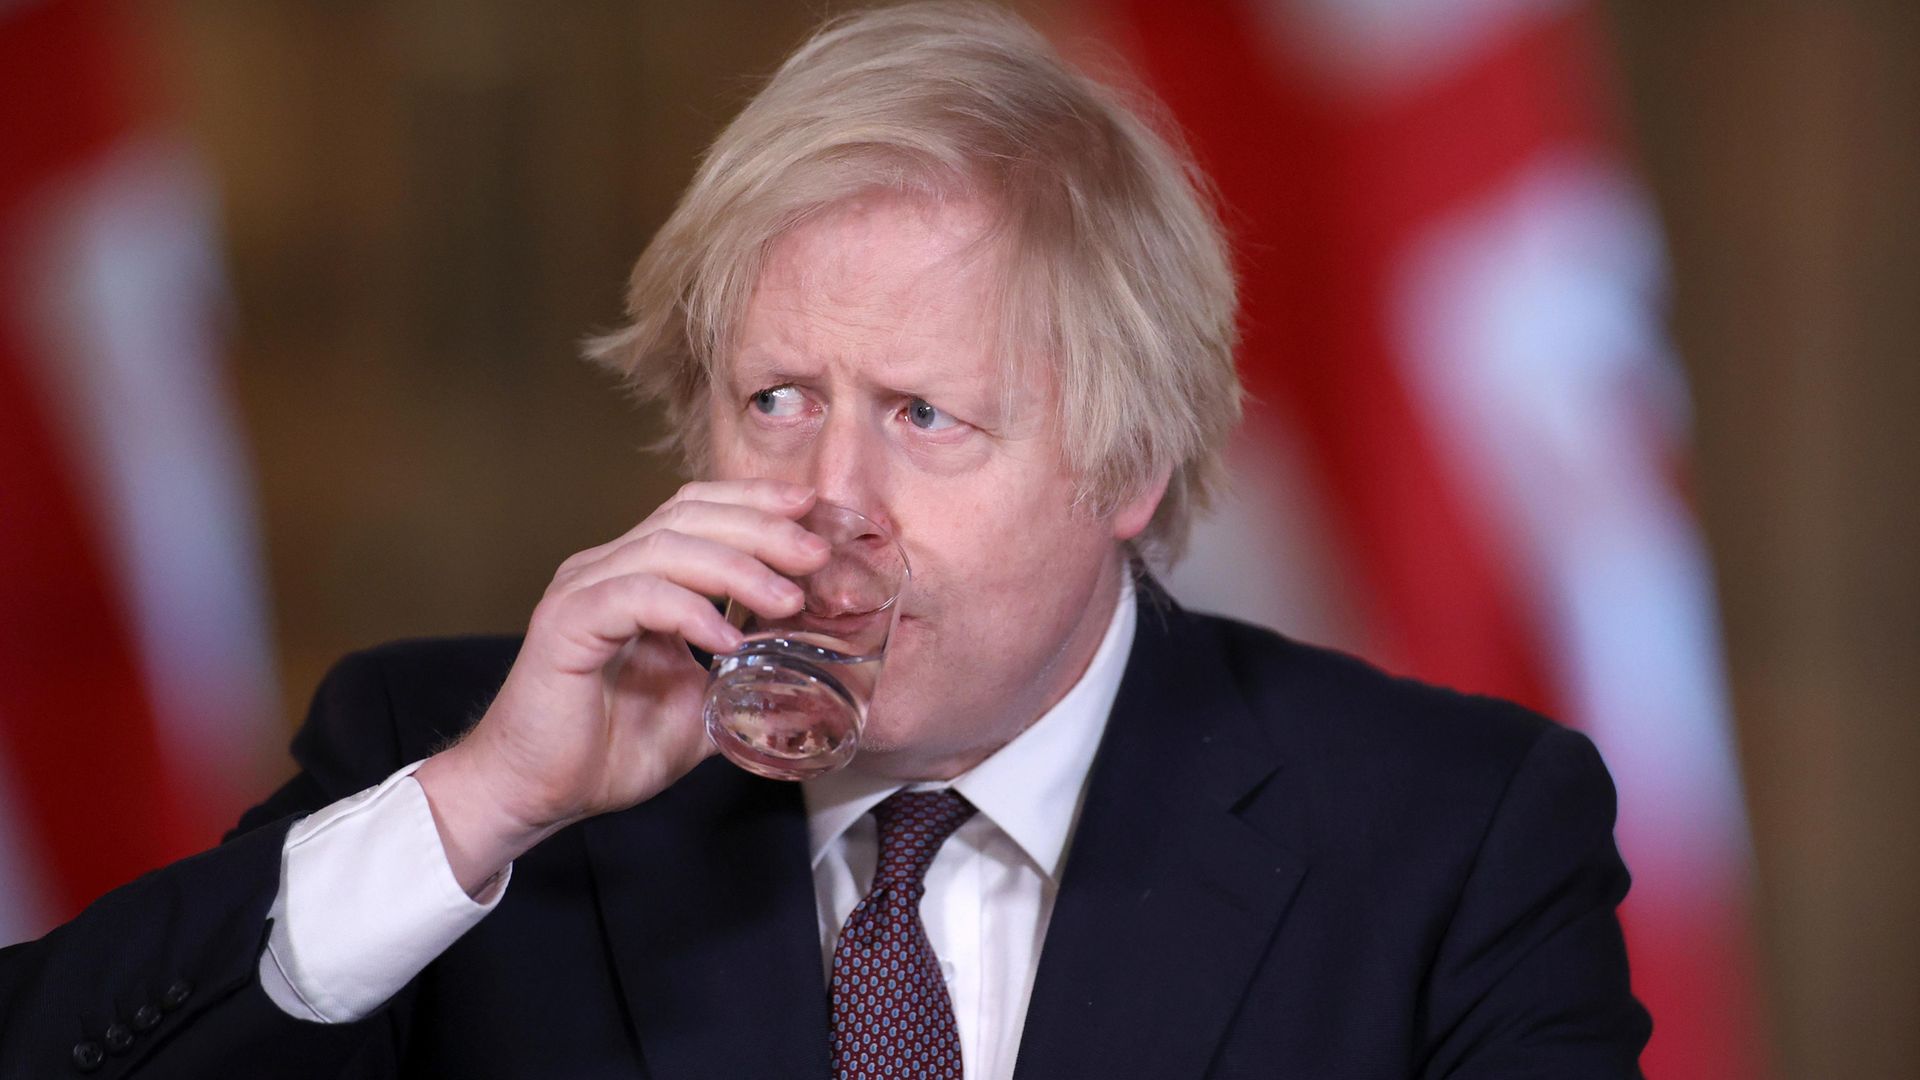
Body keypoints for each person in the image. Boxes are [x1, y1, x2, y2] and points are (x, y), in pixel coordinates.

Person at [0, 3, 1649, 1077]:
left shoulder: (1455, 834)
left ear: (1130, 459)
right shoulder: (446, 762)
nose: (827, 497)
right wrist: (480, 807)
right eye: (778, 398)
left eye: (926, 416)